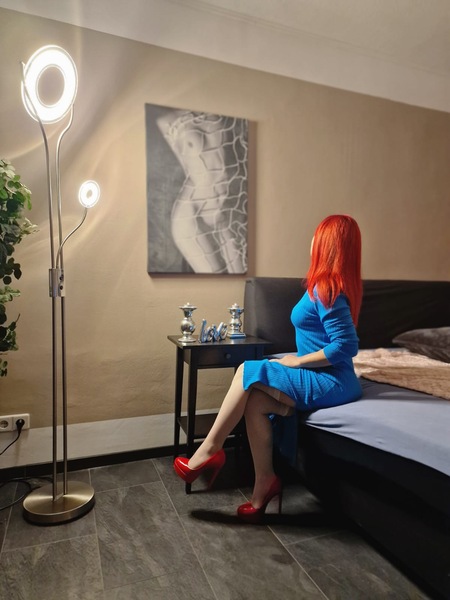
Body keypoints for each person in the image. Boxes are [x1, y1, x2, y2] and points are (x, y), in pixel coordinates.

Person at [174, 214, 363, 523]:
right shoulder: (323, 286)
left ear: (328, 245)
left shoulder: (328, 288)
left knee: (247, 370)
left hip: (333, 380)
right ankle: (266, 483)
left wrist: (297, 361)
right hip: (321, 374)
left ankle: (209, 450)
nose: (312, 240)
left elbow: (346, 346)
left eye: (318, 235)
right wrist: (296, 362)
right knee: (256, 403)